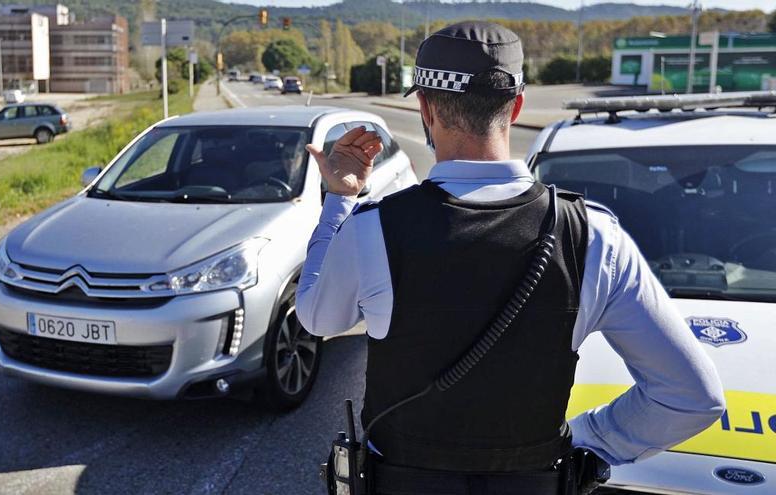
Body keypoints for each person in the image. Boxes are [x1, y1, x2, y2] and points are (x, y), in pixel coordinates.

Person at [297, 21, 726, 495]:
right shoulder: (594, 235)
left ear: (426, 108)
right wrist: (583, 442)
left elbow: (317, 318)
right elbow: (691, 398)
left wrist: (340, 198)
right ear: (516, 105)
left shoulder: (372, 227)